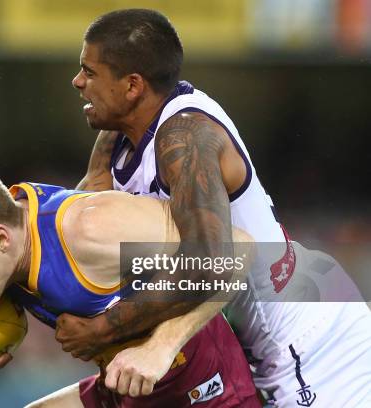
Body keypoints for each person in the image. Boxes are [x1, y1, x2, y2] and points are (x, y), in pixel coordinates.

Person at [54, 8, 371, 408]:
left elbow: (213, 262)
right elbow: (67, 235)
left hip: (311, 342)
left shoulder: (186, 136)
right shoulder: (115, 141)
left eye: (90, 71)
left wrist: (102, 330)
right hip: (252, 344)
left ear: (133, 85)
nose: (78, 82)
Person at [0, 163, 261, 407]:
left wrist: (160, 348)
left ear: (0, 239)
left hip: (206, 392)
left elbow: (238, 250)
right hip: (126, 391)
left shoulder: (91, 230)